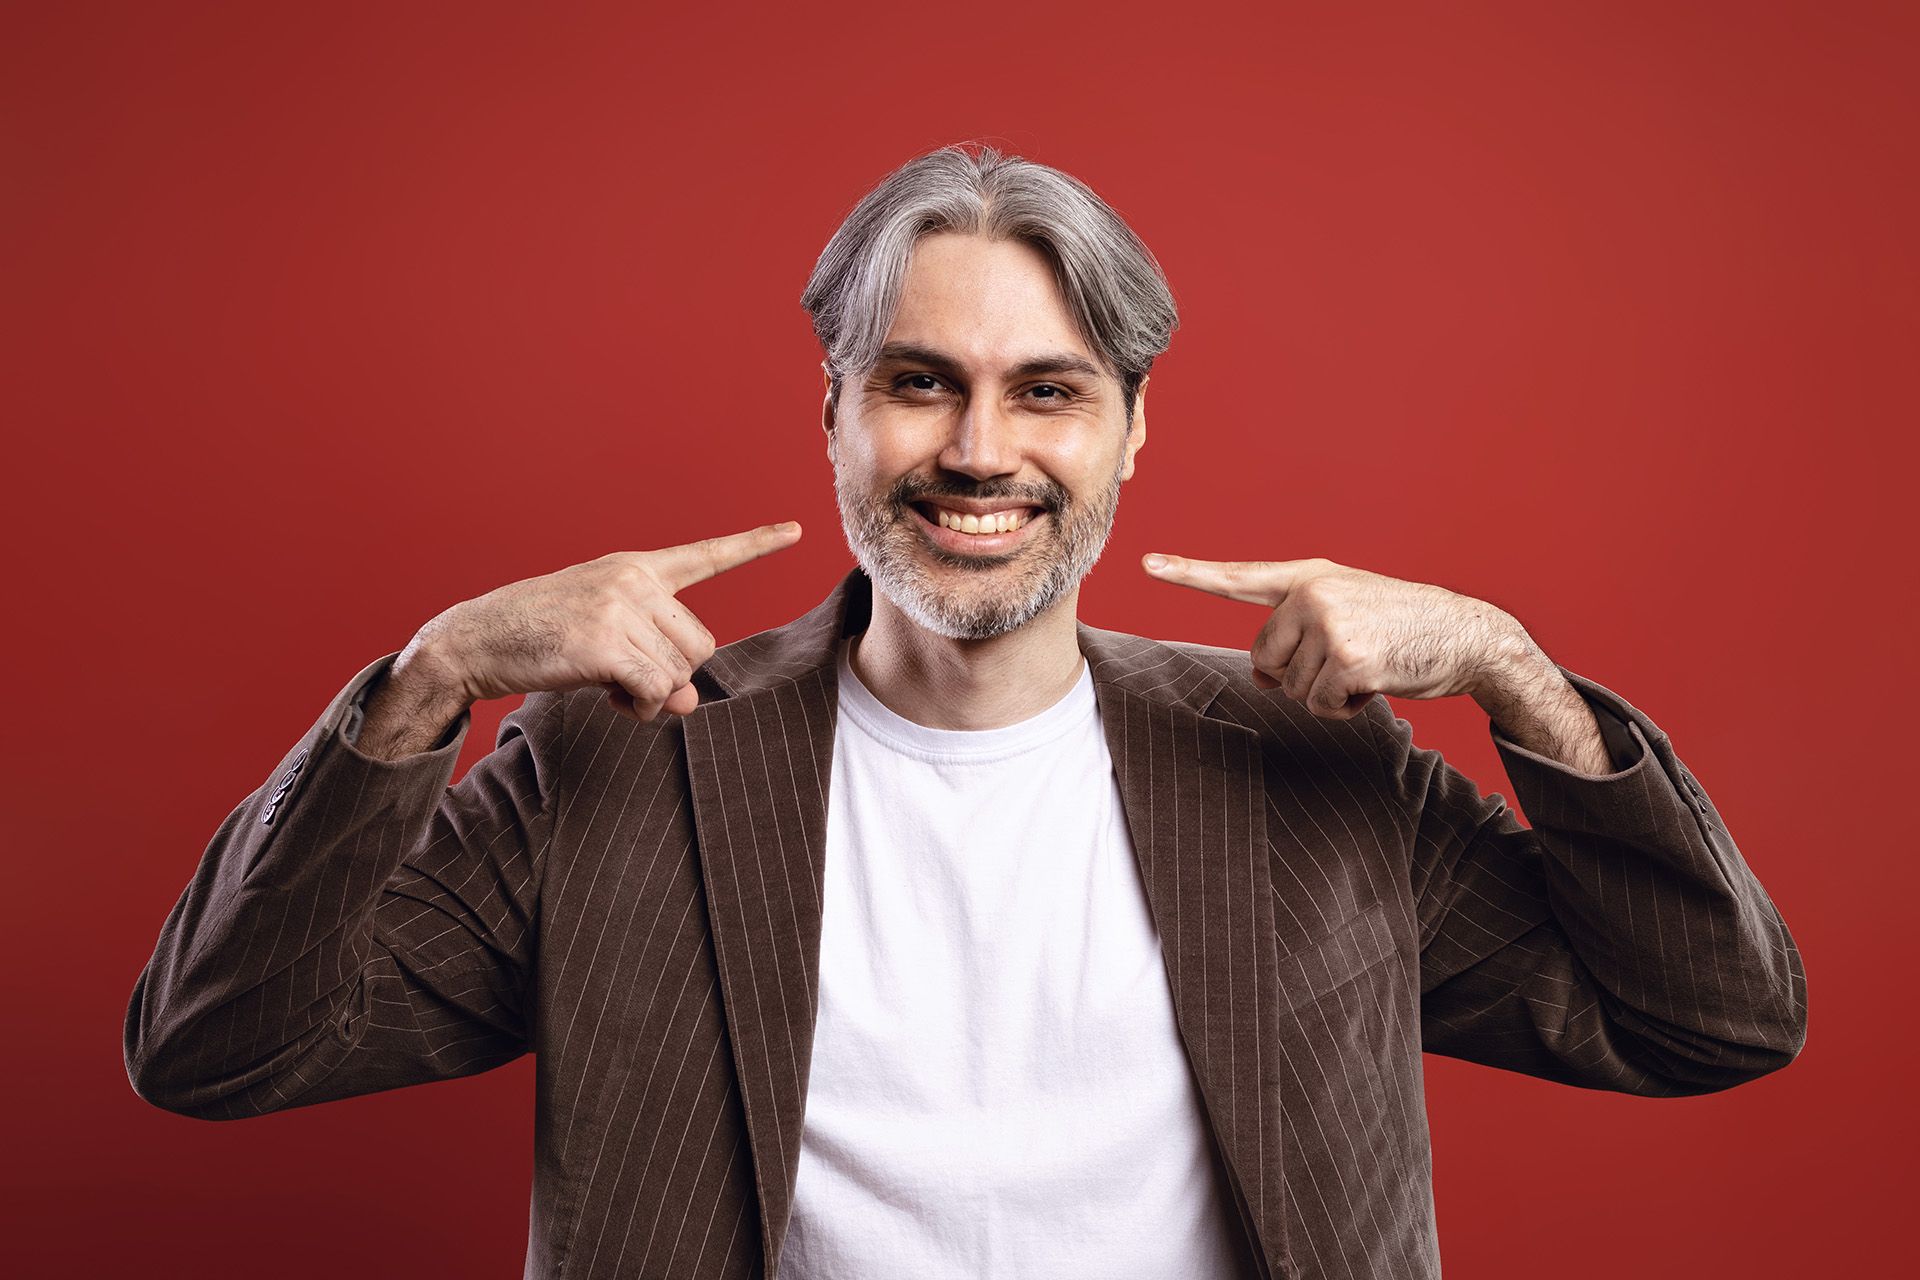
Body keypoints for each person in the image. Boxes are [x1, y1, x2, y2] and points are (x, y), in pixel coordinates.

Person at [125, 144, 1807, 1280]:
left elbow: (1707, 1022)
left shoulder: (1312, 768)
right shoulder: (615, 762)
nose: (981, 450)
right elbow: (214, 1051)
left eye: (1049, 391)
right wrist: (433, 679)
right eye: (920, 383)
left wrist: (1511, 669)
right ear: (838, 415)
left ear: (1133, 431)